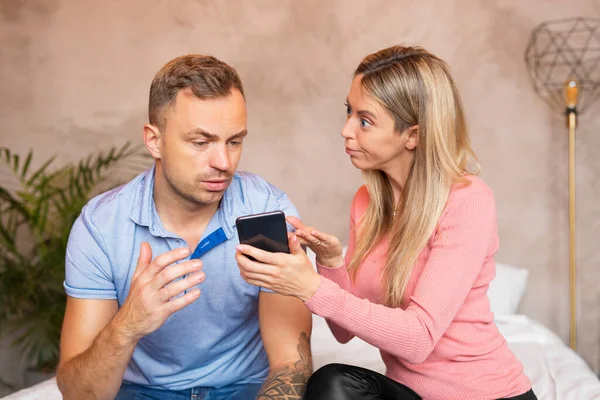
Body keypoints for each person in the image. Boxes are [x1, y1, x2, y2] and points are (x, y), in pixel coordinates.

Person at [235, 45, 537, 399]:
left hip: (486, 395)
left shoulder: (467, 200)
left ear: (413, 134)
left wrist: (310, 288)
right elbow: (344, 332)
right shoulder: (367, 203)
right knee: (331, 384)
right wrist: (330, 264)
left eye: (364, 120)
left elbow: (419, 339)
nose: (346, 130)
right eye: (349, 112)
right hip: (413, 393)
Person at [56, 54, 312, 400]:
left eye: (234, 141)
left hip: (245, 390)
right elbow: (78, 393)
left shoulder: (265, 210)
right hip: (142, 392)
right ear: (154, 141)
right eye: (201, 142)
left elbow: (289, 363)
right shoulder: (101, 227)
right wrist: (127, 326)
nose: (223, 163)